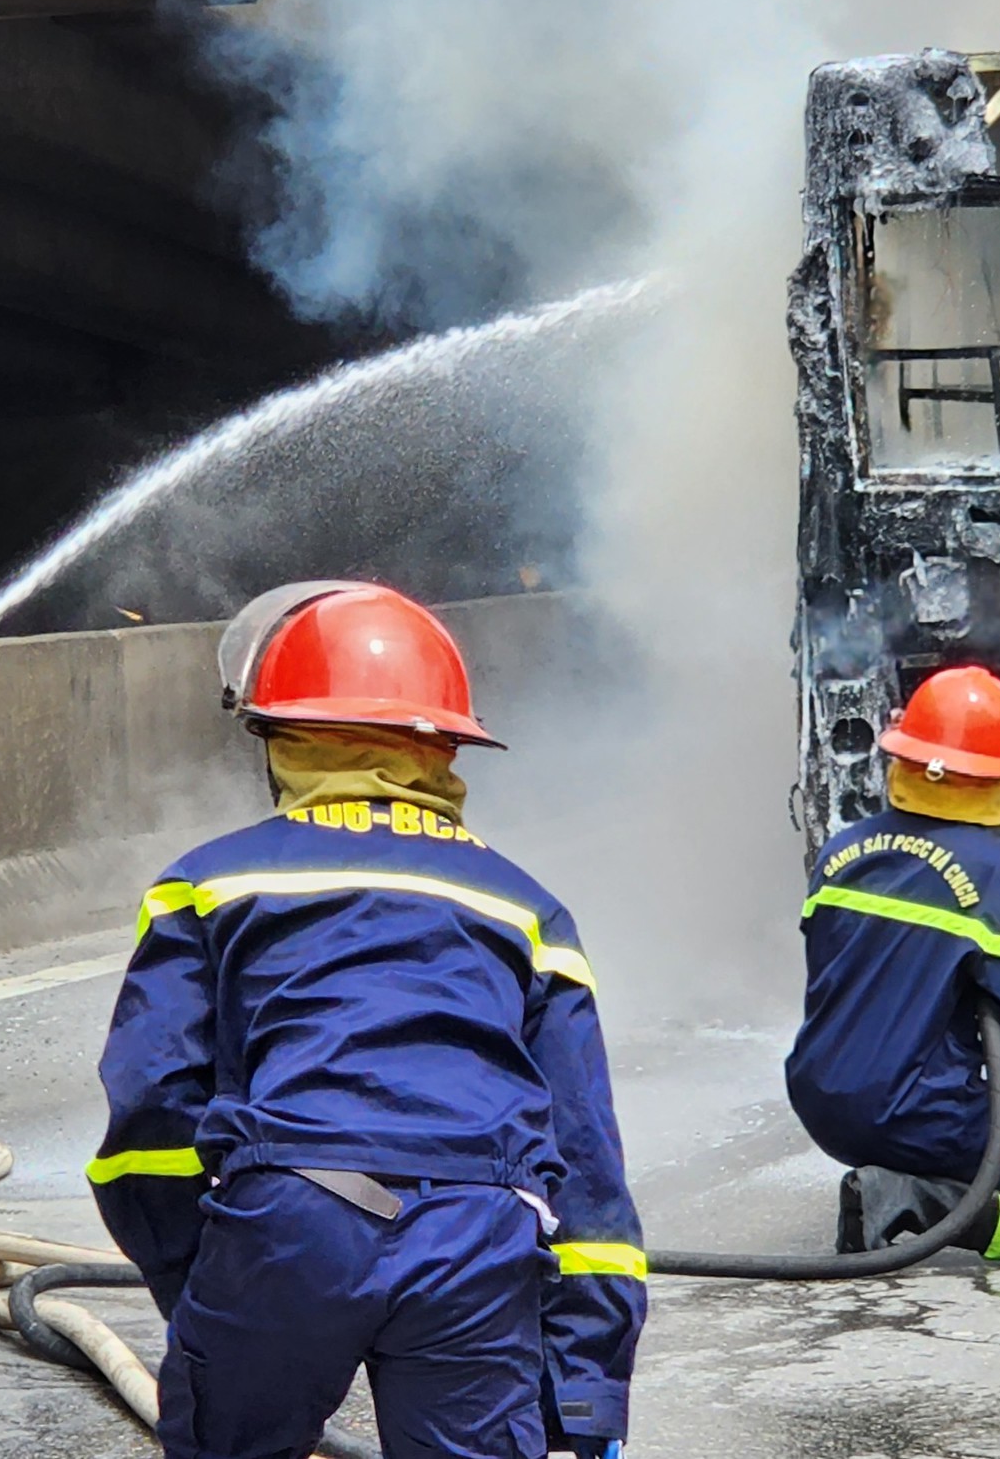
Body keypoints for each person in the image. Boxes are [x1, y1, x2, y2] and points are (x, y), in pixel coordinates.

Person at [89, 581, 644, 1459]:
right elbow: (585, 1163)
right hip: (479, 1236)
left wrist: (201, 1277)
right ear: (443, 751)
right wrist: (587, 1393)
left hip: (283, 1218)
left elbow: (151, 1116)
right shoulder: (530, 912)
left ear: (279, 740)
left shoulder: (205, 884)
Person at [786, 665, 1000, 1265]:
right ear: (998, 776)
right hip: (918, 1112)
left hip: (819, 1096)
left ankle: (893, 1182)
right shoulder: (999, 875)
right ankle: (910, 1201)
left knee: (910, 1123)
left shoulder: (843, 850)